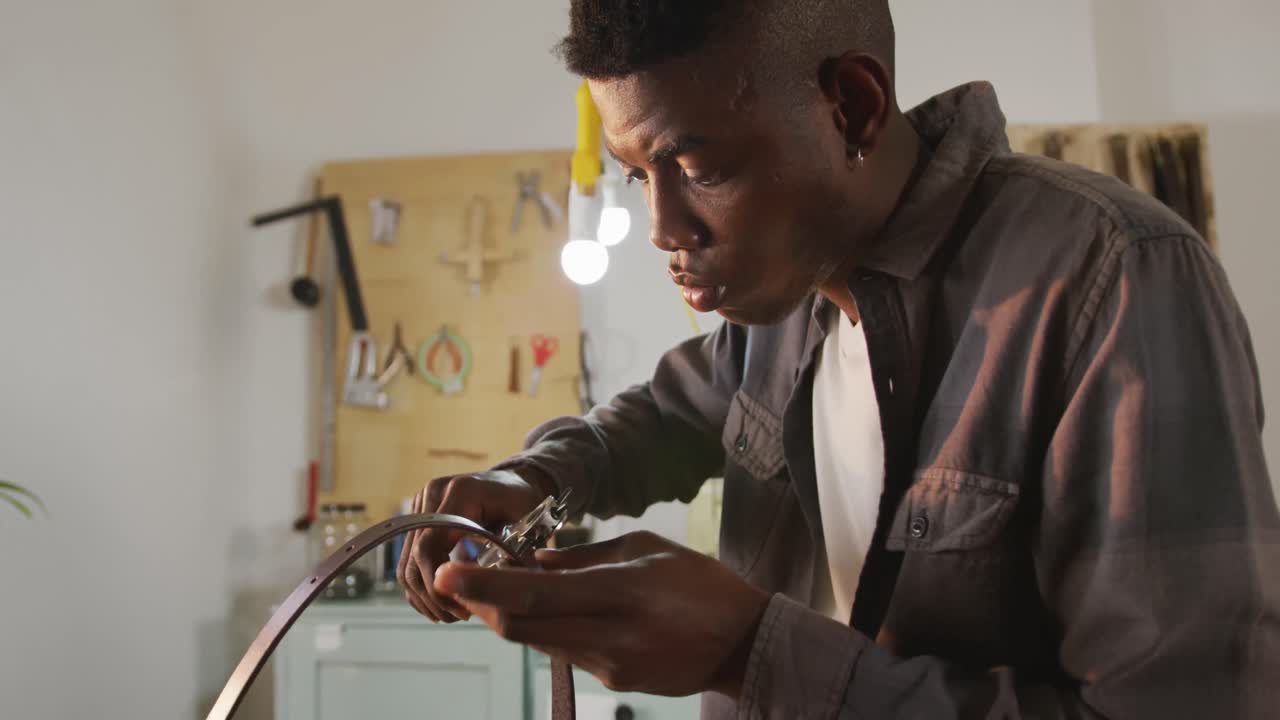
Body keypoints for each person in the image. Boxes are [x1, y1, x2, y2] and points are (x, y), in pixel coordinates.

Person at [398, 1, 1280, 717]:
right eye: (638, 175)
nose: (664, 230)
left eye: (699, 168)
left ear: (851, 107)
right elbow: (663, 419)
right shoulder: (785, 296)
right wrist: (536, 482)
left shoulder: (1112, 278)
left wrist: (747, 653)